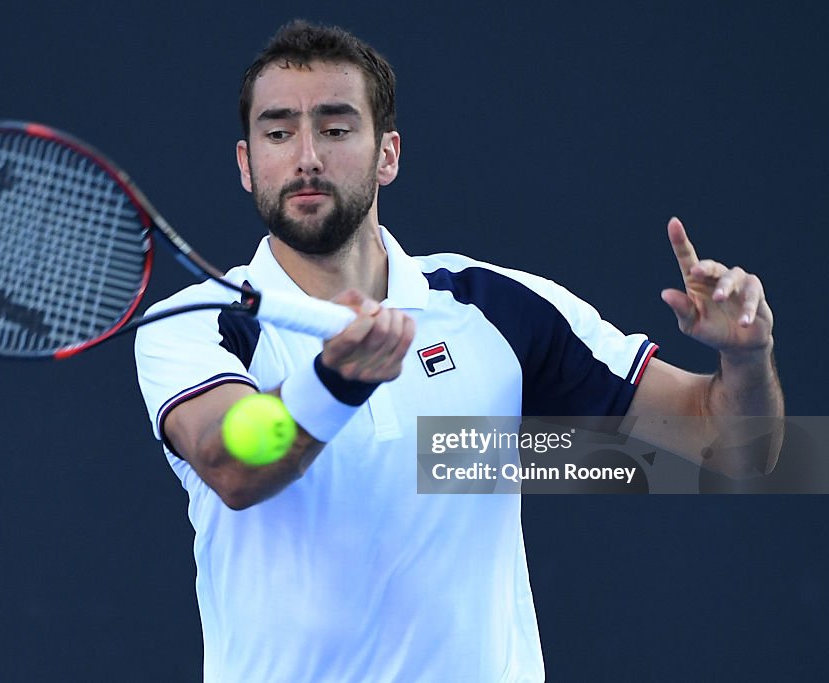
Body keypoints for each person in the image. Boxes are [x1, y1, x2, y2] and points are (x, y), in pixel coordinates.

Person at [134, 19, 783, 681]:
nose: (307, 156)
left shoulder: (496, 306)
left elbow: (733, 448)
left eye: (335, 128)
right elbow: (231, 460)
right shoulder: (196, 322)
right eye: (278, 132)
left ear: (387, 154)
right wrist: (334, 383)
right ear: (247, 164)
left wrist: (747, 356)